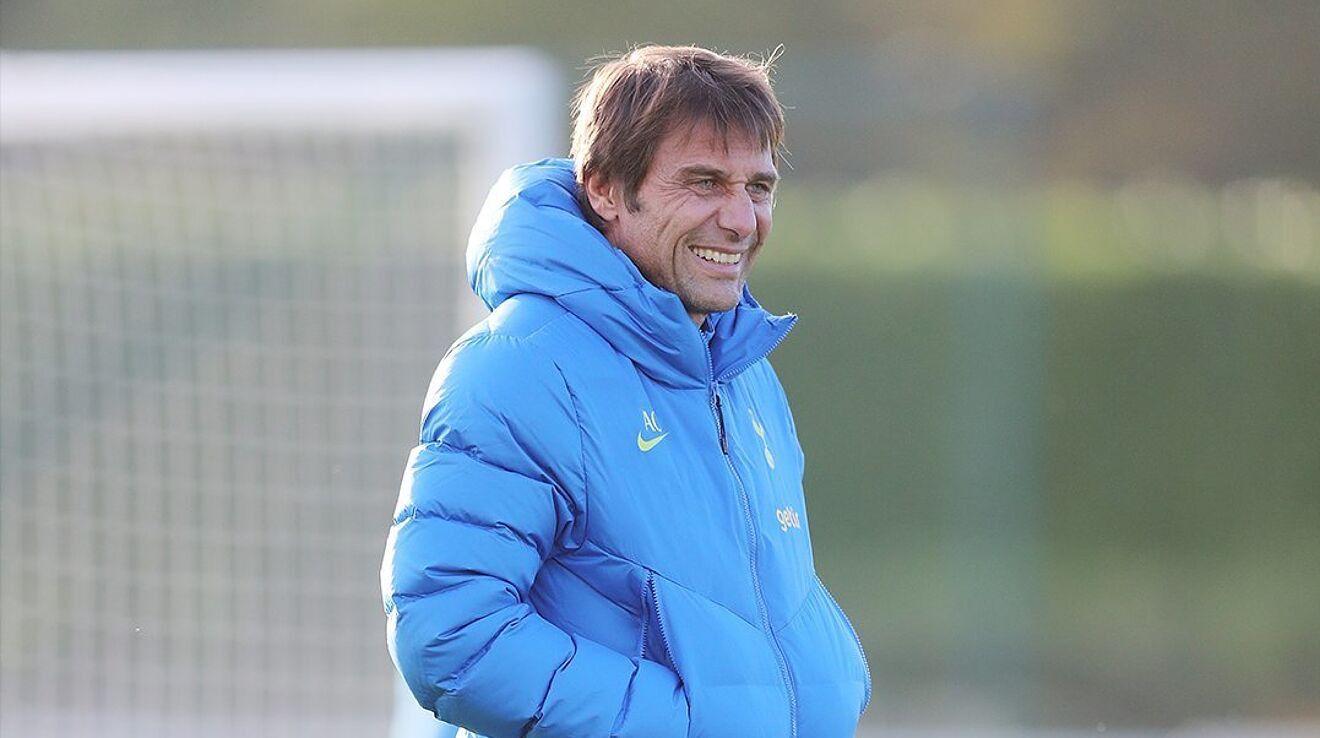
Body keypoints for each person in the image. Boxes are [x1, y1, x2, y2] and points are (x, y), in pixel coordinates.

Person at [381, 45, 870, 738]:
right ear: (605, 189)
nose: (741, 220)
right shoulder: (518, 367)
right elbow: (451, 634)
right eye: (704, 182)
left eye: (758, 188)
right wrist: (684, 726)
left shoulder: (743, 370)